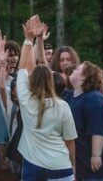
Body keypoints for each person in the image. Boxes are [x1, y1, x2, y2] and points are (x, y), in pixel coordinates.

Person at [17, 15, 77, 181]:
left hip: (32, 166)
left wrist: (28, 40)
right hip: (60, 165)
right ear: (51, 81)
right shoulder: (63, 106)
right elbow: (70, 141)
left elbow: (23, 67)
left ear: (32, 81)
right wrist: (73, 166)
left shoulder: (25, 99)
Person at [65, 61, 103, 180]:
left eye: (77, 69)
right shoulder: (70, 96)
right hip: (83, 164)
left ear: (84, 76)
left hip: (101, 166)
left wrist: (96, 155)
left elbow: (98, 129)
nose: (73, 70)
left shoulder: (94, 98)